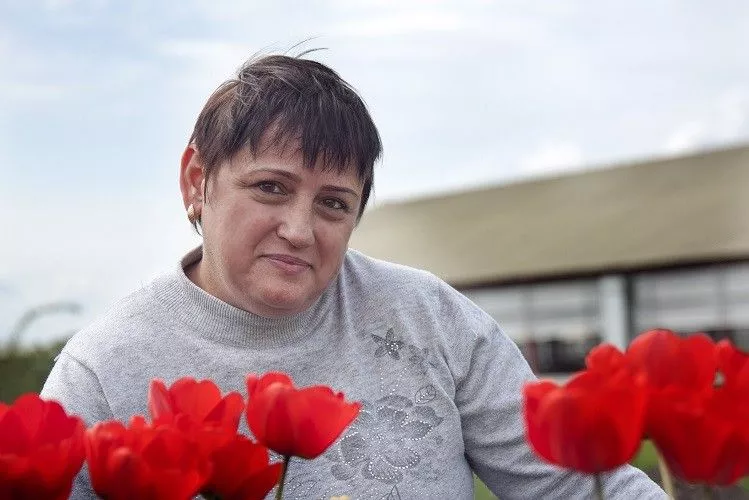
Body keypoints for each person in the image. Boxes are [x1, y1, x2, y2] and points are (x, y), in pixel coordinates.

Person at [41, 54, 666, 499]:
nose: (299, 229)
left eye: (333, 204)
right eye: (270, 188)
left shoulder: (428, 316)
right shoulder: (104, 369)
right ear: (196, 181)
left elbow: (575, 483)